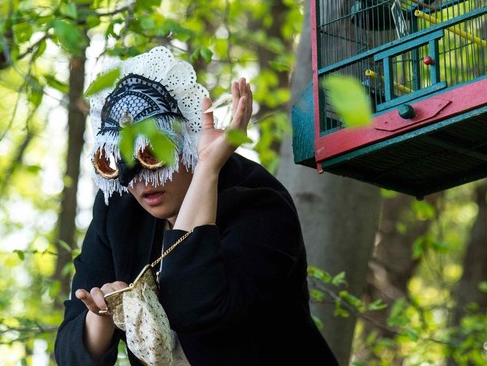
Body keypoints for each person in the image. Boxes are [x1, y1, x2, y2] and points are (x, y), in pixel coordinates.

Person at [54, 46, 339, 365]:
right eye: (122, 163)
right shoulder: (117, 214)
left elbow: (194, 307)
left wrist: (207, 168)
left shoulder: (260, 205)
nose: (143, 183)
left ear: (188, 140)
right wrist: (102, 316)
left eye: (154, 155)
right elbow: (69, 356)